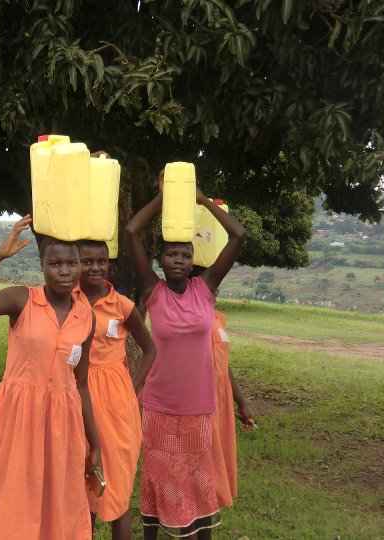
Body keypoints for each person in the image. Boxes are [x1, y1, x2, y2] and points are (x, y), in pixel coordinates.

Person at [0, 215, 102, 540]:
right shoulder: (22, 300)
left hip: (64, 421)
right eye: (55, 263)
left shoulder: (86, 316)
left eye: (72, 263)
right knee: (14, 496)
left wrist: (95, 442)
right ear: (41, 265)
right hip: (18, 415)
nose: (65, 271)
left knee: (59, 499)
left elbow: (81, 382)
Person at [125, 171, 246, 540]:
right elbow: (131, 232)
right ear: (160, 259)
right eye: (171, 254)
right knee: (157, 476)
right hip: (159, 406)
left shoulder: (205, 289)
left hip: (198, 408)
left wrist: (200, 199)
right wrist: (165, 197)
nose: (178, 259)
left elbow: (238, 235)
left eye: (185, 254)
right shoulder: (153, 290)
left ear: (194, 259)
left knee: (197, 478)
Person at [75, 240, 156, 540]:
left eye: (101, 261)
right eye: (87, 261)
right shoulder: (69, 298)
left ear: (110, 265)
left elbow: (150, 350)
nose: (95, 267)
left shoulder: (121, 305)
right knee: (83, 490)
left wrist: (132, 390)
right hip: (76, 396)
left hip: (115, 403)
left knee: (117, 491)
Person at [210, 305, 254, 508]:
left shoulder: (219, 317)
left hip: (222, 396)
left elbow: (224, 363)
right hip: (202, 395)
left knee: (220, 449)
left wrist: (241, 402)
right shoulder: (190, 316)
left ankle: (211, 502)